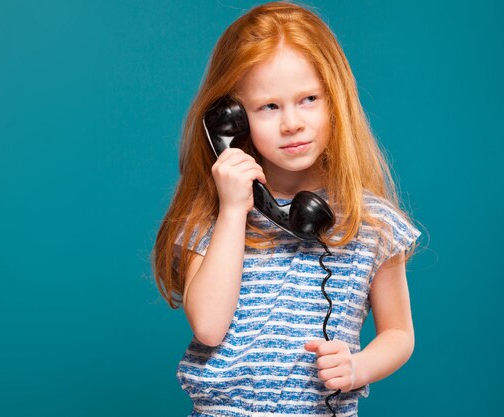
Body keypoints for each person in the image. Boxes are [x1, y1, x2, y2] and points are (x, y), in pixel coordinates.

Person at [152, 2, 422, 416]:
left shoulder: (373, 224)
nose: (291, 123)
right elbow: (208, 326)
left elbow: (399, 332)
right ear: (232, 121)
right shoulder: (210, 216)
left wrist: (357, 367)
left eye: (309, 99)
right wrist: (232, 210)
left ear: (336, 101)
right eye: (269, 107)